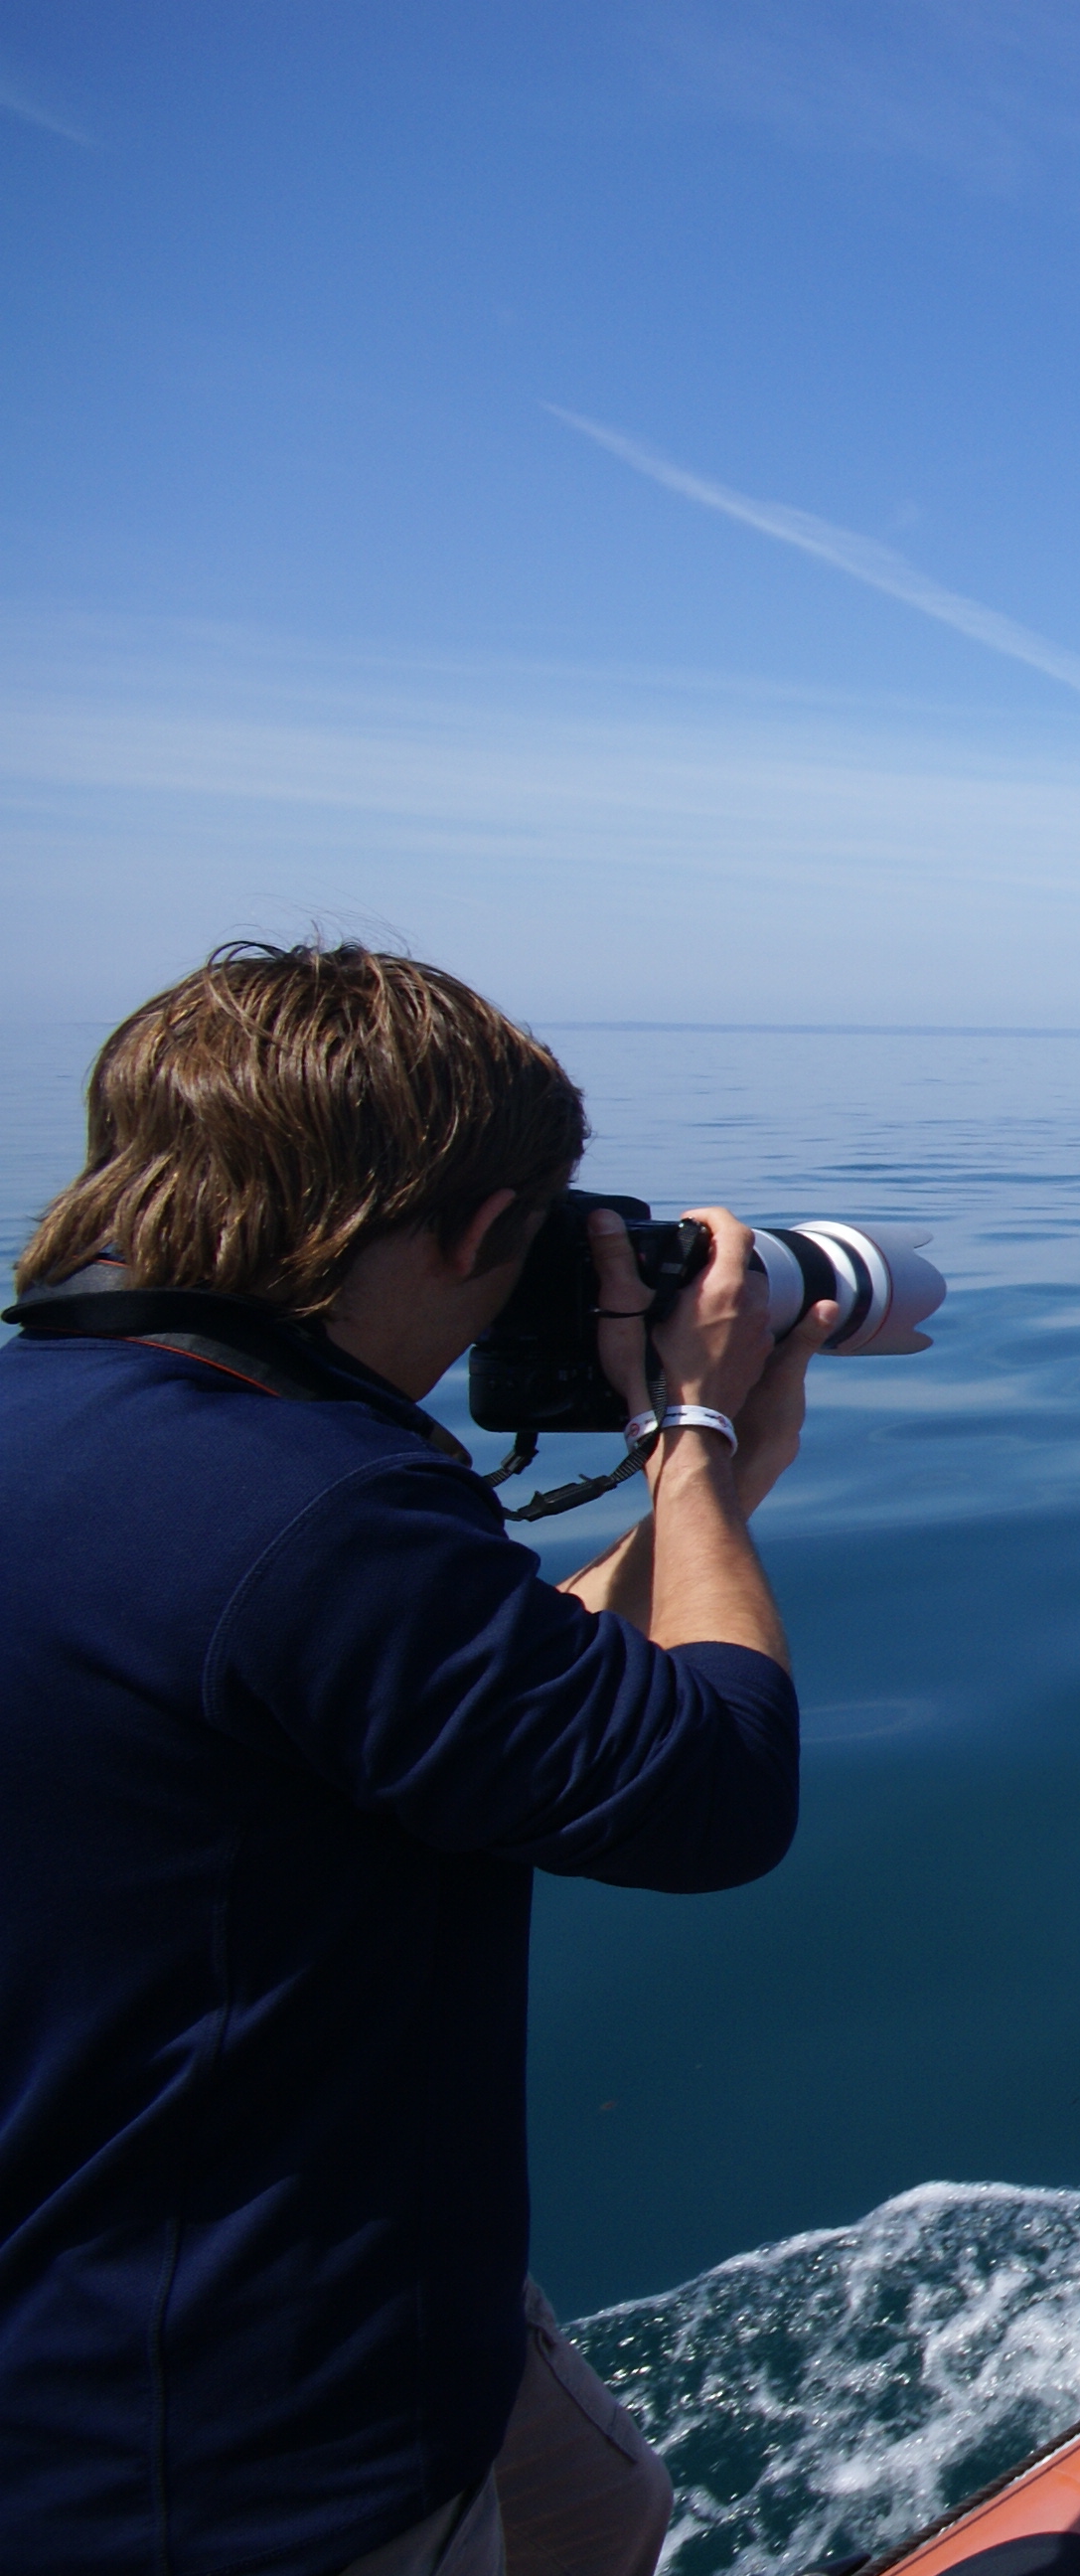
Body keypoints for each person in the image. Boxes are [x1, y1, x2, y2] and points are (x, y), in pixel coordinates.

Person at [0, 942, 833, 2576]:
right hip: (236, 2436)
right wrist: (689, 1432)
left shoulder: (116, 1440)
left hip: (126, 2278)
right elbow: (714, 1791)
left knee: (600, 2509)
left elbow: (493, 1697)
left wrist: (705, 1507)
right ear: (474, 1231)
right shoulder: (310, 1501)